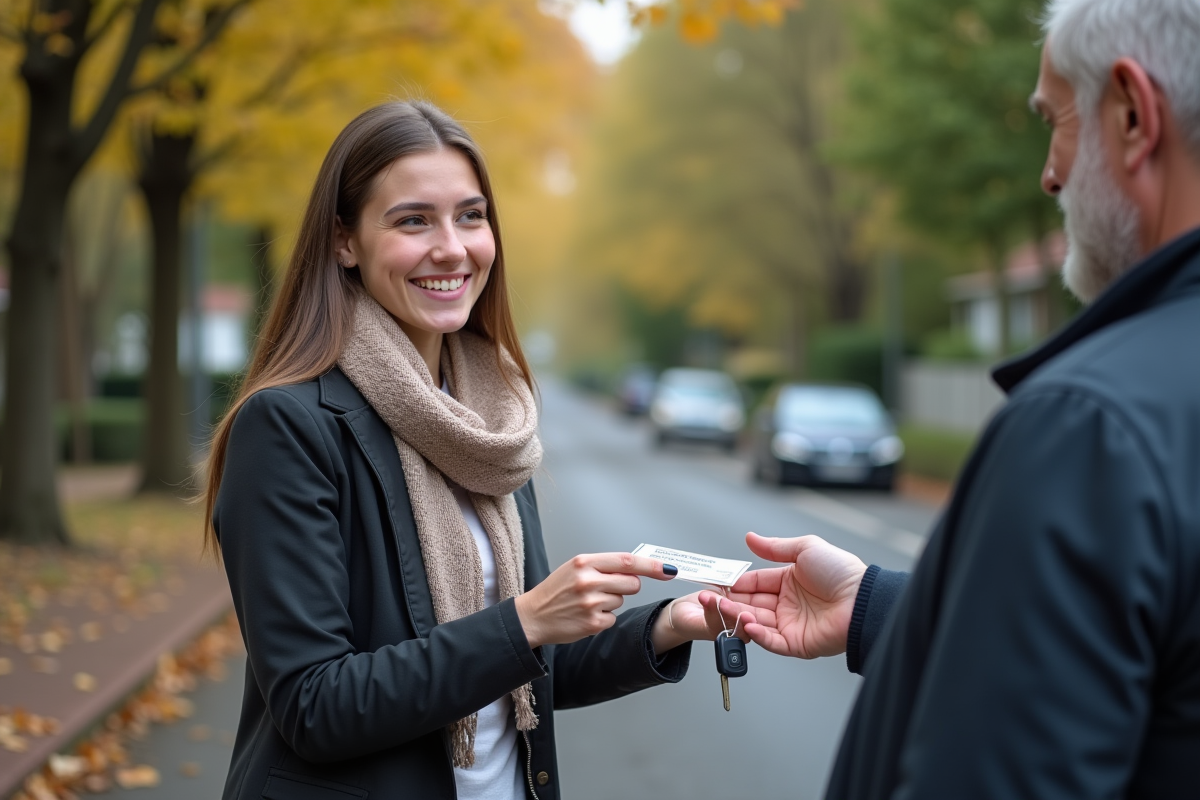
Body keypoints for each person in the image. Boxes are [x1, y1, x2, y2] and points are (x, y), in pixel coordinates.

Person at [702, 0, 1200, 796]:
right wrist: (877, 606)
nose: (1050, 173)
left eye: (1055, 122)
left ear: (1134, 115)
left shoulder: (1089, 428)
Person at [202, 101, 727, 800]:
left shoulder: (491, 427)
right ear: (343, 241)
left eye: (471, 216)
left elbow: (526, 669)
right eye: (413, 220)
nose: (452, 247)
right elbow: (314, 705)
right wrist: (526, 619)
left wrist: (668, 626)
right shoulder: (289, 427)